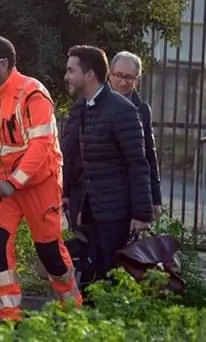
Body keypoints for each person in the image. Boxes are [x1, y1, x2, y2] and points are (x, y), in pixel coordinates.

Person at [0, 35, 81, 321]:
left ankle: (73, 314)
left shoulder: (33, 94)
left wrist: (14, 182)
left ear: (3, 64)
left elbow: (40, 147)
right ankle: (9, 319)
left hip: (38, 185)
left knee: (50, 254)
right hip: (1, 187)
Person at [62, 45, 153, 284]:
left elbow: (138, 163)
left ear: (89, 75)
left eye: (72, 70)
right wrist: (64, 193)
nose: (67, 76)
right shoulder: (81, 108)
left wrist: (142, 213)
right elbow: (69, 155)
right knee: (91, 273)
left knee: (111, 275)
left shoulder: (122, 110)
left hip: (115, 211)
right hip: (88, 208)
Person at [109, 51, 162, 220]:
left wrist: (155, 198)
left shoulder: (142, 110)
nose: (123, 82)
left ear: (137, 80)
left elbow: (149, 156)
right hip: (99, 194)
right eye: (119, 75)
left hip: (130, 192)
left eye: (129, 77)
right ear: (110, 75)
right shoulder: (93, 104)